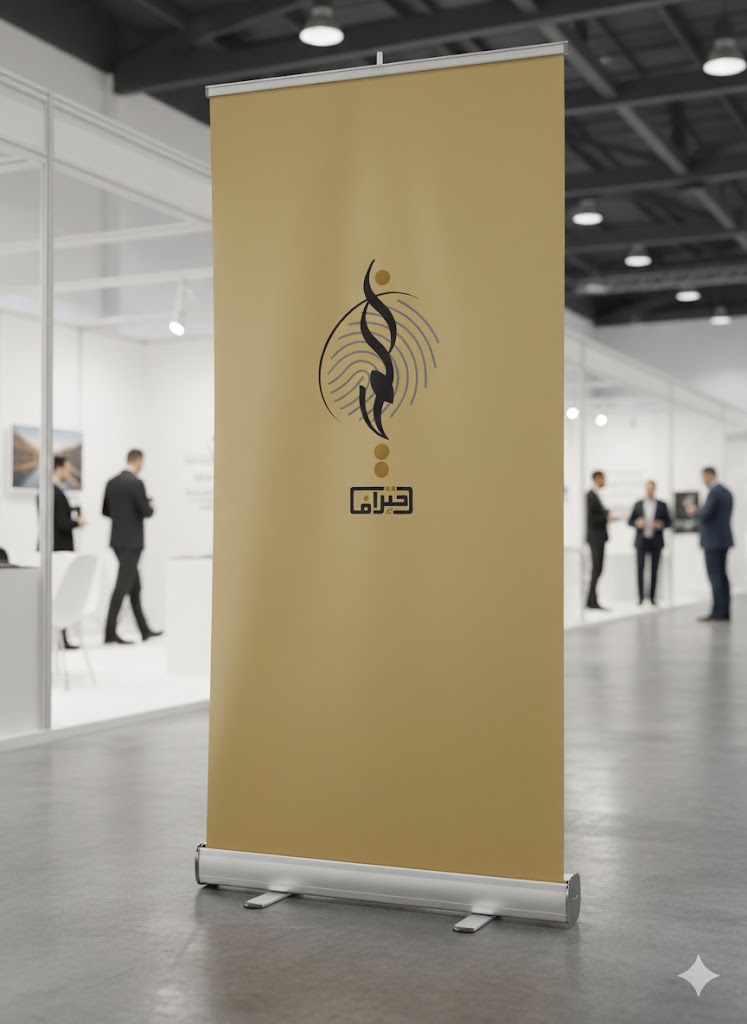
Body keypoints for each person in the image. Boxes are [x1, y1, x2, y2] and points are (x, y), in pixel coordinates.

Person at [102, 449, 162, 644]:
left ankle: (144, 630)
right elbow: (146, 512)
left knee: (135, 586)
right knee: (122, 587)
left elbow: (105, 511)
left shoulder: (111, 482)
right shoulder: (136, 483)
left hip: (117, 541)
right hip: (132, 542)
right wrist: (151, 505)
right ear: (138, 460)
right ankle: (109, 633)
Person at [39, 456, 87, 648]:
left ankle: (60, 638)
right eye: (67, 468)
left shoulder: (45, 491)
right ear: (58, 468)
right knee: (60, 593)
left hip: (51, 548)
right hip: (59, 550)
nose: (69, 472)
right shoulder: (55, 493)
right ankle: (62, 638)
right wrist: (77, 522)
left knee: (56, 593)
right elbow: (61, 523)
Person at [685, 468, 734, 623]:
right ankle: (724, 610)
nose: (703, 480)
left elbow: (706, 515)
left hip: (712, 541)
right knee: (722, 576)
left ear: (709, 475)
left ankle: (718, 611)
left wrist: (694, 512)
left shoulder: (714, 493)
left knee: (715, 576)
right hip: (724, 539)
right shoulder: (727, 492)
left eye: (703, 477)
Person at [628, 481, 671, 606]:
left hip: (656, 541)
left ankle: (652, 597)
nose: (649, 491)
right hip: (641, 541)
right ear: (645, 489)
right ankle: (641, 597)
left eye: (652, 489)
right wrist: (637, 523)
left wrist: (660, 524)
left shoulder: (662, 505)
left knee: (654, 570)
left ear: (655, 489)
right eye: (648, 488)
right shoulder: (638, 504)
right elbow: (630, 521)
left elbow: (669, 521)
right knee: (640, 569)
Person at [586, 470, 617, 610]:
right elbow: (591, 518)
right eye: (603, 478)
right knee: (596, 569)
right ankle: (591, 601)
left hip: (598, 537)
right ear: (597, 478)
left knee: (598, 569)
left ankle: (591, 599)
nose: (605, 481)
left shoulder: (595, 495)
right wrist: (606, 517)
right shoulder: (590, 495)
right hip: (595, 537)